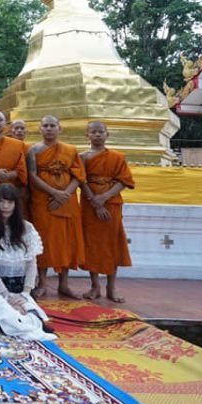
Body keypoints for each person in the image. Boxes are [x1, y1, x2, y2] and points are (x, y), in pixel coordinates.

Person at [0, 184, 55, 341]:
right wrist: (6, 296)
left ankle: (29, 328)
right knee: (6, 315)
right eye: (1, 202)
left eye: (10, 202)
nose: (5, 206)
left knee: (30, 314)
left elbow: (32, 263)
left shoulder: (27, 228)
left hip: (20, 286)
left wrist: (25, 293)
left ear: (16, 204)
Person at [27, 115, 86, 299]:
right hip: (43, 200)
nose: (49, 129)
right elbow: (32, 176)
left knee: (66, 241)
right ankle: (42, 283)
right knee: (43, 240)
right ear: (40, 129)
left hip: (67, 201)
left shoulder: (70, 150)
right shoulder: (33, 150)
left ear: (60, 129)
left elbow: (78, 176)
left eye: (53, 125)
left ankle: (64, 284)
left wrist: (65, 194)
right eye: (45, 125)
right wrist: (54, 193)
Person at [80, 122, 135, 303]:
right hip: (90, 204)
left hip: (111, 203)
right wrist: (94, 202)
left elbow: (124, 180)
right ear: (87, 135)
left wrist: (104, 198)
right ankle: (95, 285)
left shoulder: (117, 157)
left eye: (100, 132)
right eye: (93, 132)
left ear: (107, 134)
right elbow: (81, 181)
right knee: (92, 243)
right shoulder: (82, 157)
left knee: (112, 243)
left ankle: (111, 286)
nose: (97, 135)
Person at [7, 119, 33, 221]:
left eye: (22, 128)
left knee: (24, 218)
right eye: (16, 128)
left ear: (26, 132)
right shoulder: (6, 148)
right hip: (8, 187)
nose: (19, 131)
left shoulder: (30, 149)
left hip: (25, 189)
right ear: (10, 131)